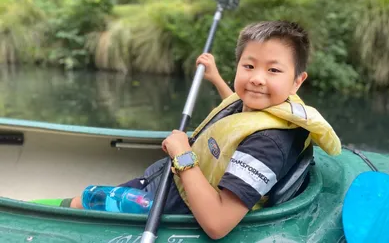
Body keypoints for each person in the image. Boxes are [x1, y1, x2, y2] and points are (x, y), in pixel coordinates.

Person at [69, 21, 341, 240]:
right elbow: (234, 113)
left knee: (85, 201)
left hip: (174, 208)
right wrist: (215, 78)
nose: (257, 78)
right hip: (166, 182)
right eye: (248, 66)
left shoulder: (268, 144)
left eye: (273, 70)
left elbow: (217, 223)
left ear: (297, 81)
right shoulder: (269, 104)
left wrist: (183, 155)